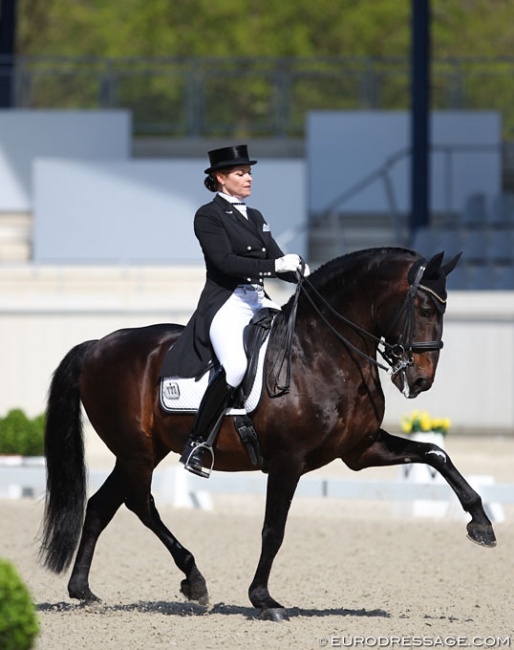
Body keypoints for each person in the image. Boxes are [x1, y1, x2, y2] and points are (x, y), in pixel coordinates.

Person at [167, 144, 308, 478]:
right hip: (227, 301)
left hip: (259, 299)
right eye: (240, 173)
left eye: (249, 172)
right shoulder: (208, 215)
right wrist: (276, 264)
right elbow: (224, 263)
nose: (248, 178)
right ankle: (197, 443)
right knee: (234, 367)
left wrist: (301, 272)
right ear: (220, 178)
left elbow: (276, 260)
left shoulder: (256, 217)